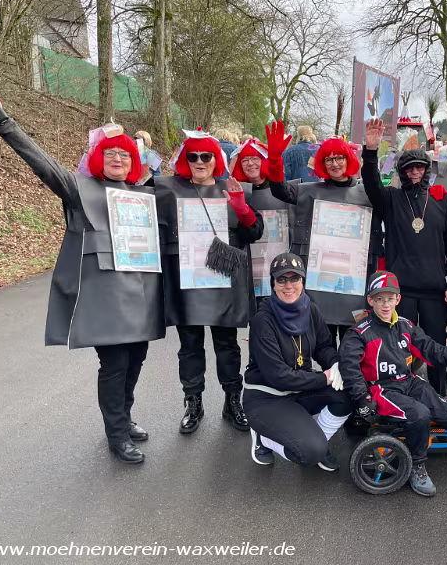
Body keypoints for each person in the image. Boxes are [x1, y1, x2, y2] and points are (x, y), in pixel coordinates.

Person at [0, 95, 165, 464]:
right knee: (115, 366)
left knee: (136, 360)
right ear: (97, 158)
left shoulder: (144, 195)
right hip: (105, 302)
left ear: (134, 162)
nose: (117, 159)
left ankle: (124, 418)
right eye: (110, 153)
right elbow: (42, 164)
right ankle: (116, 434)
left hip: (141, 298)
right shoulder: (79, 189)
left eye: (124, 155)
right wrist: (3, 122)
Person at [151, 131, 263, 434]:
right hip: (187, 283)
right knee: (190, 346)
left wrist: (241, 207)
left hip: (223, 283)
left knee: (227, 346)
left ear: (216, 160)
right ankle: (193, 402)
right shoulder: (169, 191)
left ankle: (232, 400)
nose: (199, 161)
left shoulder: (232, 188)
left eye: (206, 156)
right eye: (193, 156)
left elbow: (255, 233)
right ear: (185, 160)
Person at [339, 270, 447, 497]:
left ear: (398, 299)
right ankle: (417, 465)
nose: (386, 304)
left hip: (409, 382)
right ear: (370, 300)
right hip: (382, 389)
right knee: (420, 415)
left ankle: (418, 433)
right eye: (380, 299)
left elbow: (431, 349)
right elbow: (349, 367)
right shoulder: (359, 333)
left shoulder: (406, 326)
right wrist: (361, 397)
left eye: (390, 298)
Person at [362, 118, 447, 396]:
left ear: (427, 170)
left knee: (436, 348)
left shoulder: (442, 200)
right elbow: (371, 184)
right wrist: (370, 151)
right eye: (409, 168)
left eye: (420, 167)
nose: (415, 172)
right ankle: (399, 396)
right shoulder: (392, 199)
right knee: (397, 348)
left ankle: (439, 395)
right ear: (401, 172)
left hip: (434, 290)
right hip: (400, 291)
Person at [268, 121, 383, 348]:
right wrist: (274, 160)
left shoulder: (367, 193)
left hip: (354, 284)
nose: (334, 164)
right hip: (320, 285)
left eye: (339, 158)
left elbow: (382, 190)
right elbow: (279, 189)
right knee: (323, 346)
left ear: (349, 160)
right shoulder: (309, 191)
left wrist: (371, 149)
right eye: (329, 159)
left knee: (353, 346)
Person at [243, 253, 353, 469]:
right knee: (310, 452)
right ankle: (263, 438)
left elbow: (323, 346)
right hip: (267, 398)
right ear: (273, 284)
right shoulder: (262, 321)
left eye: (294, 278)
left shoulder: (310, 309)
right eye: (281, 279)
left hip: (299, 389)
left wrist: (335, 365)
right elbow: (278, 377)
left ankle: (317, 440)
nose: (288, 286)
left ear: (303, 281)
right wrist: (324, 378)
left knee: (349, 392)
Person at [231, 138, 297, 303]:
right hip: (249, 265)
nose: (250, 163)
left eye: (255, 158)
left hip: (280, 263)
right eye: (244, 160)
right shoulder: (237, 192)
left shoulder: (282, 191)